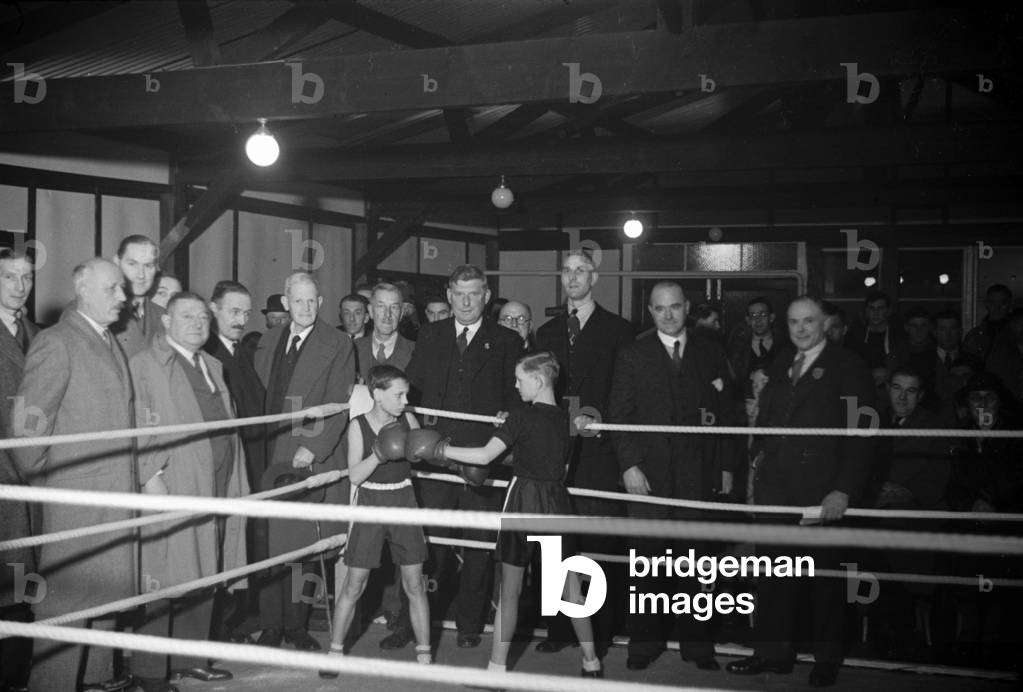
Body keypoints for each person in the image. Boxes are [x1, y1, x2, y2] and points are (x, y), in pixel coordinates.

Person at [411, 351, 603, 679]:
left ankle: (496, 669)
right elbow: (559, 466)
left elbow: (485, 455)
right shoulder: (569, 422)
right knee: (570, 588)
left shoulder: (519, 416)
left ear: (538, 381)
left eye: (519, 379)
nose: (514, 386)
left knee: (510, 590)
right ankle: (591, 662)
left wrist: (442, 450)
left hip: (523, 502)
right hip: (557, 502)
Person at [726, 295, 874, 688]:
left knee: (824, 580)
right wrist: (756, 467)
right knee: (774, 577)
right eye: (794, 322)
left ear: (825, 323)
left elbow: (863, 436)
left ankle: (826, 660)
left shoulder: (848, 367)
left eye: (809, 321)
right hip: (776, 488)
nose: (801, 329)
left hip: (820, 490)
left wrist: (843, 489)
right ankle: (772, 654)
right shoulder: (780, 363)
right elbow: (768, 420)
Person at [11, 258, 137, 692]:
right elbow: (28, 423)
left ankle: (101, 680)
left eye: (122, 288)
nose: (123, 297)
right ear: (83, 290)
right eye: (113, 288)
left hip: (113, 496)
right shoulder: (58, 341)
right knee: (66, 606)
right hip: (78, 502)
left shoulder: (107, 339)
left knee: (105, 599)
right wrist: (52, 479)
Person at [609, 281, 738, 672]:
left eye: (675, 307)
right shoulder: (632, 354)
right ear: (650, 311)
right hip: (647, 477)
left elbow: (730, 415)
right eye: (660, 308)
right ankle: (644, 644)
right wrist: (629, 465)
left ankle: (697, 646)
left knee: (697, 567)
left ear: (687, 309)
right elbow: (619, 413)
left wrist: (727, 467)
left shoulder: (711, 352)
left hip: (697, 478)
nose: (668, 315)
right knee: (646, 567)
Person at [129, 292, 249, 689]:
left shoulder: (212, 365)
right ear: (166, 321)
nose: (198, 324)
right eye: (187, 316)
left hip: (216, 483)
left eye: (203, 317)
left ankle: (189, 659)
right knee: (163, 575)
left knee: (205, 570)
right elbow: (137, 426)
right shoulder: (146, 365)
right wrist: (150, 476)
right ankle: (149, 671)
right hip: (175, 483)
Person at [404, 264, 523, 649]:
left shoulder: (506, 340)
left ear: (486, 296)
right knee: (428, 546)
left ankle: (470, 625)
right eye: (459, 294)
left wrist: (507, 421)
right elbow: (412, 391)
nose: (466, 301)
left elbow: (517, 399)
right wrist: (413, 433)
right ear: (449, 296)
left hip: (482, 459)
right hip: (433, 460)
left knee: (478, 546)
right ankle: (422, 623)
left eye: (474, 293)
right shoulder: (430, 335)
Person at [533, 249, 633, 654]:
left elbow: (626, 393)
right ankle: (559, 630)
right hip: (555, 453)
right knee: (555, 542)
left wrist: (600, 420)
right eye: (567, 270)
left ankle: (602, 633)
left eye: (581, 271)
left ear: (594, 278)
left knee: (598, 544)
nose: (573, 277)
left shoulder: (620, 331)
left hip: (599, 452)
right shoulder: (546, 333)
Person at [252, 272, 356, 651]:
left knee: (303, 546)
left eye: (313, 301)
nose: (307, 308)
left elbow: (340, 402)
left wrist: (314, 449)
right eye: (299, 301)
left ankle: (296, 627)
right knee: (268, 544)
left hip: (305, 454)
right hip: (267, 454)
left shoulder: (339, 343)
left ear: (321, 302)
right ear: (286, 302)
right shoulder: (268, 340)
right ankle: (270, 626)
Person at [319, 366, 431, 679]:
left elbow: (423, 456)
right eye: (399, 394)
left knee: (414, 582)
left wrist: (440, 453)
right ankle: (335, 653)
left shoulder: (407, 420)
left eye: (406, 393)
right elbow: (354, 475)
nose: (405, 400)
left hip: (404, 500)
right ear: (378, 394)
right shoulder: (358, 425)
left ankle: (424, 655)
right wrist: (380, 453)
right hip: (370, 502)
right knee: (354, 582)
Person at [868, 366, 951, 660]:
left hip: (916, 516)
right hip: (878, 514)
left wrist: (899, 492)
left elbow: (937, 479)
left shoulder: (934, 427)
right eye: (897, 388)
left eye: (911, 390)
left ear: (921, 395)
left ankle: (897, 631)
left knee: (890, 547)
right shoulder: (875, 423)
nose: (902, 397)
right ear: (887, 389)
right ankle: (880, 628)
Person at [203, 281, 267, 642]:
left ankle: (232, 621)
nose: (242, 319)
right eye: (233, 311)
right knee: (222, 545)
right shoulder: (210, 355)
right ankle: (217, 627)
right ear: (213, 310)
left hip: (249, 464)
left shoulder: (240, 351)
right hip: (226, 468)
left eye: (246, 312)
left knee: (239, 545)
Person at [0, 248, 38, 692]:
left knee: (25, 581)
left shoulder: (38, 334)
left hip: (35, 475)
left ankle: (19, 674)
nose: (19, 285)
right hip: (4, 473)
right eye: (10, 276)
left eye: (26, 277)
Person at [110, 234, 165, 358]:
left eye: (148, 266)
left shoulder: (164, 316)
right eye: (132, 264)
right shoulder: (95, 311)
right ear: (116, 262)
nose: (141, 275)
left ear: (157, 268)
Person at [353, 283, 415, 383]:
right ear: (370, 311)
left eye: (394, 307)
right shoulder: (353, 349)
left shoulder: (415, 352)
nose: (388, 314)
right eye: (381, 306)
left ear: (401, 313)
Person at [726, 296, 784, 383]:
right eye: (753, 315)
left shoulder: (785, 346)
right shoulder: (736, 348)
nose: (758, 320)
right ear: (748, 320)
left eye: (763, 314)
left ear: (771, 318)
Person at [848, 291, 898, 369]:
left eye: (880, 308)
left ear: (888, 311)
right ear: (866, 311)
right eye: (871, 308)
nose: (876, 313)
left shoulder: (897, 336)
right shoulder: (856, 336)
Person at [963, 284, 1014, 362]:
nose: (997, 308)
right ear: (986, 304)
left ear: (1010, 304)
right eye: (992, 303)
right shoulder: (975, 335)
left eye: (1003, 302)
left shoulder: (1017, 333)